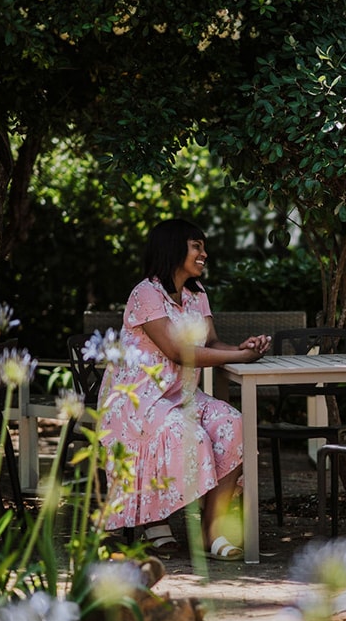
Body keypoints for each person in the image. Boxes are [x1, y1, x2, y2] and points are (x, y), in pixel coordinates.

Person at [97, 217, 272, 560]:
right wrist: (239, 355)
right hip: (138, 399)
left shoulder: (197, 295)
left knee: (232, 424)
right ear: (174, 248)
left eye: (203, 246)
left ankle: (212, 530)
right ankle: (154, 523)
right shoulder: (146, 293)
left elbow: (214, 342)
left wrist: (243, 347)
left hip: (181, 395)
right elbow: (177, 351)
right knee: (185, 434)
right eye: (197, 246)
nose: (204, 253)